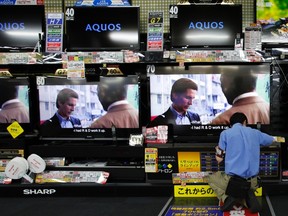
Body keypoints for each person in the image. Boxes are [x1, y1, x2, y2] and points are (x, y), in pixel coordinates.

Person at [205, 112, 276, 213]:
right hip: (252, 182)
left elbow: (219, 159)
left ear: (231, 124)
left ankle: (228, 198)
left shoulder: (225, 134)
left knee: (209, 178)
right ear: (244, 122)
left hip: (232, 182)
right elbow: (271, 140)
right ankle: (247, 196)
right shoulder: (255, 133)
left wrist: (217, 150)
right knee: (248, 187)